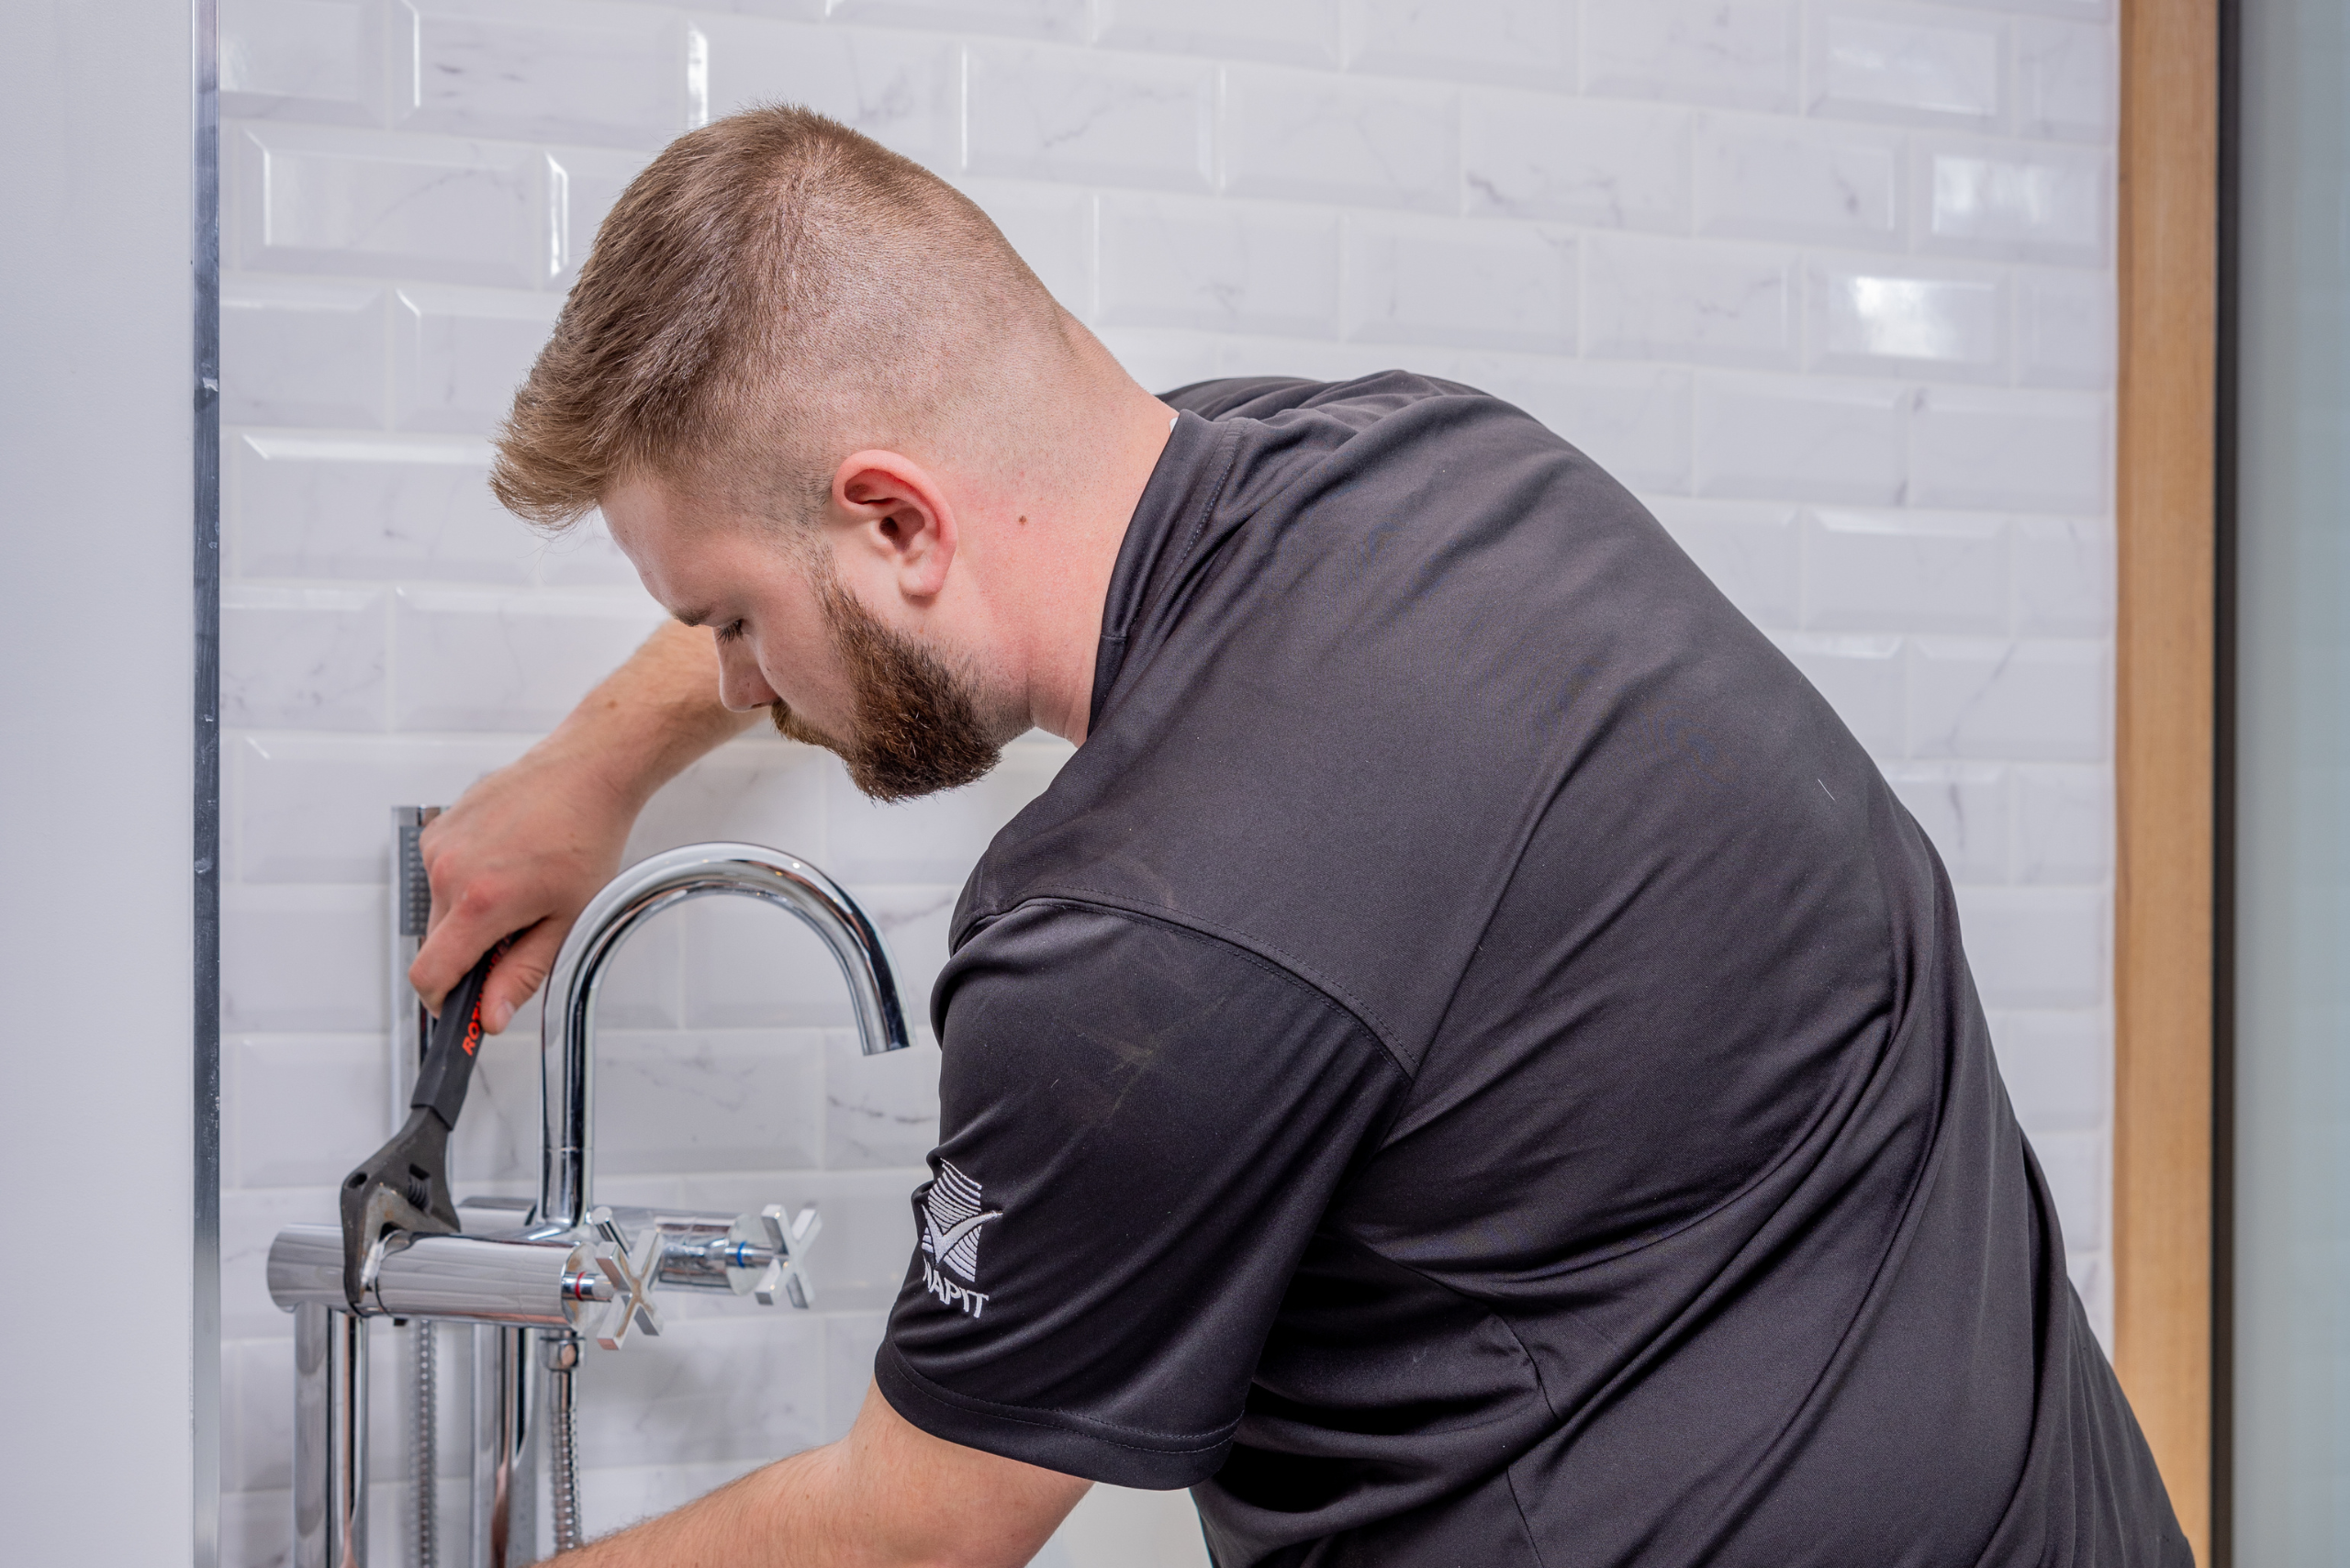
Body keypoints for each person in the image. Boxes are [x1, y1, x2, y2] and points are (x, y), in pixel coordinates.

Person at [408, 106, 2188, 1567]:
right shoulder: (1423, 462)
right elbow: (975, 463)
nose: (739, 675)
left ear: (898, 525)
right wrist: (602, 761)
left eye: (728, 619)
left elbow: (912, 1528)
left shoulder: (1131, 937)